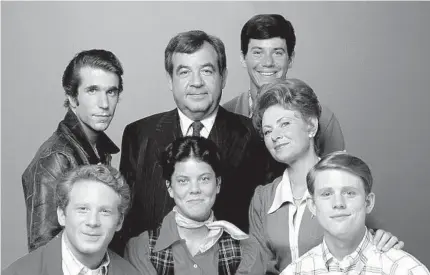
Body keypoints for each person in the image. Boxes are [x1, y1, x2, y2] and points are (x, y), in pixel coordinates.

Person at [116, 30, 271, 255]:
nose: (196, 82)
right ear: (170, 80)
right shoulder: (139, 135)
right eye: (184, 72)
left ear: (223, 76)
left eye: (206, 71)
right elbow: (125, 221)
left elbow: (266, 221)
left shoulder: (256, 136)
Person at [249, 79, 402, 274]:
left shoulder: (345, 181)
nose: (275, 136)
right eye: (267, 131)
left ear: (311, 126)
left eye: (285, 123)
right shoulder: (263, 198)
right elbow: (257, 266)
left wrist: (382, 241)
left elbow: (365, 247)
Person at [22, 49, 124, 252]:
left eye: (111, 92)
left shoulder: (99, 150)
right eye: (92, 90)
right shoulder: (56, 158)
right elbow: (43, 249)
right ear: (72, 98)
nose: (104, 104)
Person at [125, 136, 264, 275]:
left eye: (204, 179)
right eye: (183, 181)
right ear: (170, 188)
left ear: (218, 184)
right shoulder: (141, 248)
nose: (195, 189)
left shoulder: (245, 250)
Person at [280, 151, 430, 274]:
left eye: (349, 193)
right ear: (312, 205)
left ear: (368, 203)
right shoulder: (294, 272)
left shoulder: (406, 270)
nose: (338, 203)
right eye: (326, 194)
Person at [223, 14, 344, 156]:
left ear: (290, 59)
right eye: (257, 52)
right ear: (243, 58)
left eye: (277, 53)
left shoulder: (321, 118)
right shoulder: (225, 116)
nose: (267, 62)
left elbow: (339, 174)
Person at [4, 165, 139, 275]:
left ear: (119, 221)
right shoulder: (18, 272)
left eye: (105, 211)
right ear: (62, 215)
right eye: (82, 209)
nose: (92, 222)